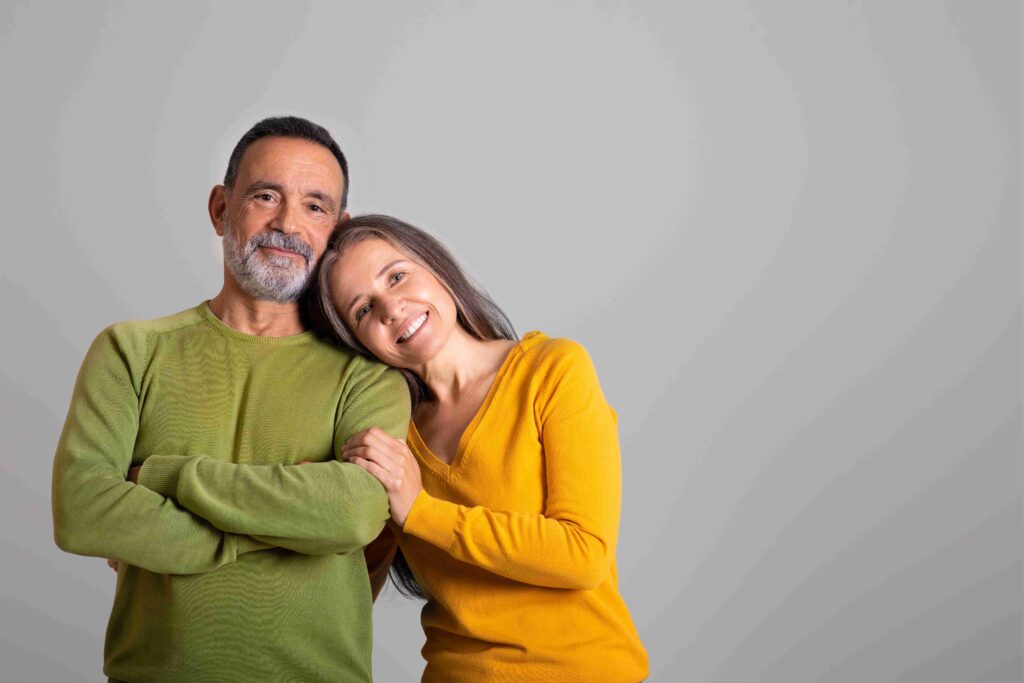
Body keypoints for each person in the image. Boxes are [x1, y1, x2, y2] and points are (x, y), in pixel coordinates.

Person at [51, 117, 410, 682]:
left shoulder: (369, 375)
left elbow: (352, 512)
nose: (287, 223)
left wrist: (167, 479)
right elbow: (81, 511)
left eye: (315, 206)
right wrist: (292, 525)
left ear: (336, 233)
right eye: (265, 196)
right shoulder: (130, 351)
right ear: (221, 208)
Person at [311, 214, 649, 682]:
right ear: (357, 340)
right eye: (363, 310)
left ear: (435, 265)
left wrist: (422, 512)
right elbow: (349, 589)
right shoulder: (390, 438)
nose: (391, 307)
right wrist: (316, 498)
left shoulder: (551, 370)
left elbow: (583, 553)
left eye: (396, 276)